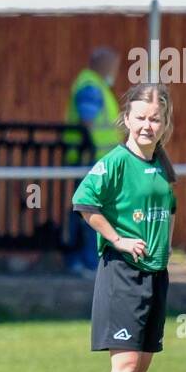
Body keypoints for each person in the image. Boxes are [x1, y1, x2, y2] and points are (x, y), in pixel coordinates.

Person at [71, 81, 177, 372]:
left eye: (155, 119)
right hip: (122, 273)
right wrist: (116, 238)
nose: (147, 125)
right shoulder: (115, 161)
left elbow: (170, 212)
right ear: (127, 119)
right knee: (126, 362)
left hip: (155, 274)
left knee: (142, 364)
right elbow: (83, 202)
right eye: (141, 118)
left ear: (165, 123)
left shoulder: (162, 166)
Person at [65, 47, 123, 275]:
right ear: (102, 64)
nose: (114, 71)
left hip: (96, 161)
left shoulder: (96, 85)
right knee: (90, 211)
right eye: (113, 66)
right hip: (89, 161)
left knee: (88, 210)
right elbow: (87, 120)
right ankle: (86, 262)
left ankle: (84, 260)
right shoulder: (91, 86)